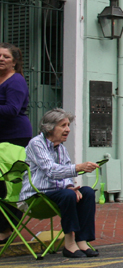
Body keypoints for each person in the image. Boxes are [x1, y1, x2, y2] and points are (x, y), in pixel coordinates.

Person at [20, 109, 99, 258]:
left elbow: (65, 173)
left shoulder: (61, 148)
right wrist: (78, 167)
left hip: (58, 192)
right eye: (63, 125)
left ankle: (82, 240)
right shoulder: (36, 144)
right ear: (49, 127)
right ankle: (69, 244)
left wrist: (70, 186)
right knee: (68, 195)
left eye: (68, 125)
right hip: (37, 194)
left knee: (87, 192)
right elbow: (51, 171)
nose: (68, 129)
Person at [0, 43, 33, 147]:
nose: (1, 59)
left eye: (6, 57)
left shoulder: (16, 81)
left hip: (14, 136)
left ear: (14, 62)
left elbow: (12, 109)